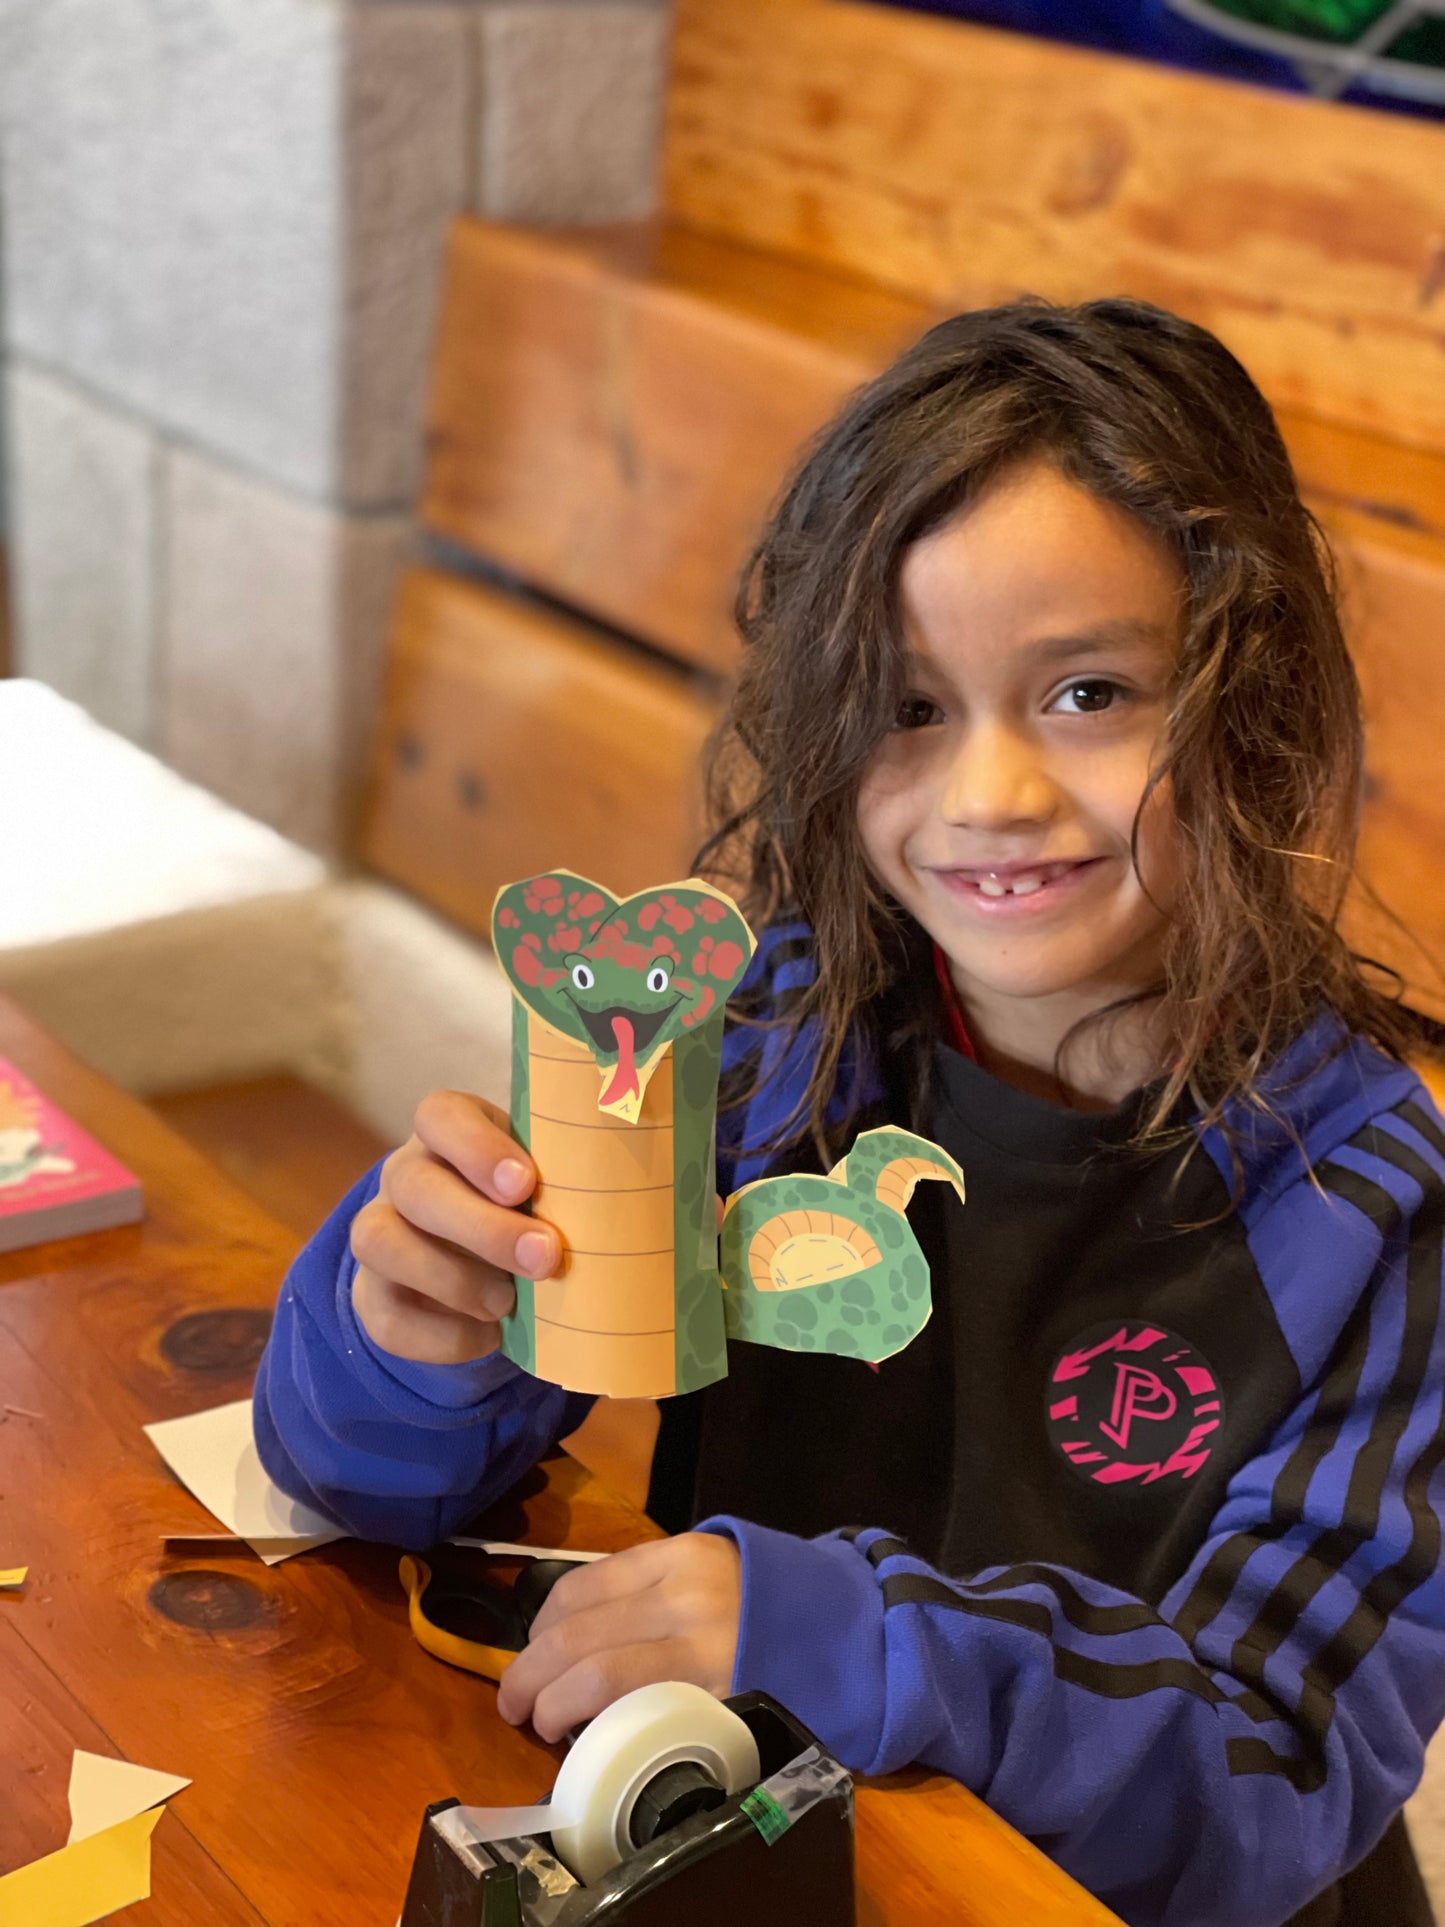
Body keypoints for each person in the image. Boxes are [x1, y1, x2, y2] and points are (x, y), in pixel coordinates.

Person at [254, 299, 1445, 1927]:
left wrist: (828, 1633)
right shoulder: (761, 1043)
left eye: (1089, 692)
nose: (989, 798)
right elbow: (373, 1491)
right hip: (747, 1856)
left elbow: (1269, 1778)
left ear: (1254, 698)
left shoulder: (1377, 1212)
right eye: (907, 707)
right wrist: (408, 1345)